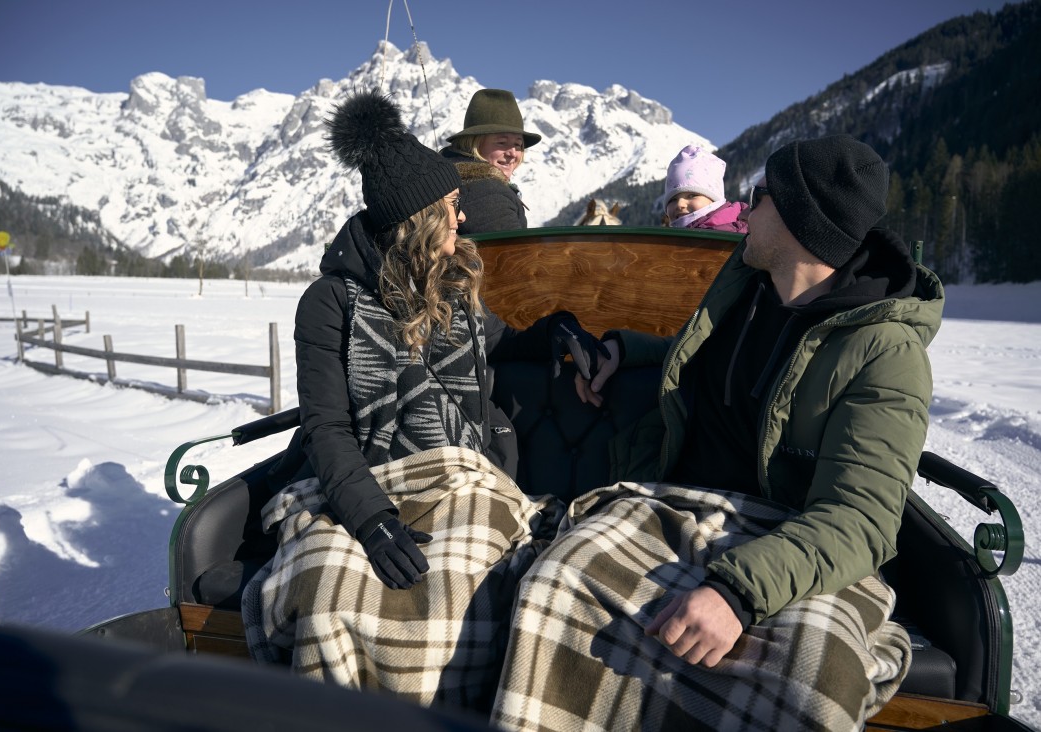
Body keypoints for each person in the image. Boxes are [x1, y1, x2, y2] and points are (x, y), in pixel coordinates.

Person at [492, 134, 943, 731]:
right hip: (677, 505)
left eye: (760, 196)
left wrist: (737, 594)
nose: (746, 207)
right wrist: (622, 348)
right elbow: (689, 354)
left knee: (811, 684)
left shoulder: (886, 352)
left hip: (786, 536)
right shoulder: (748, 290)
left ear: (800, 223)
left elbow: (860, 517)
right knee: (553, 582)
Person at [242, 89, 604, 713]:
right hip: (367, 485)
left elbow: (503, 343)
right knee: (328, 593)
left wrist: (562, 331)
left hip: (464, 479)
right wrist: (373, 522)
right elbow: (328, 429)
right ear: (417, 220)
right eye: (452, 208)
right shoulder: (330, 303)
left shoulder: (455, 284)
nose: (463, 222)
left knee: (473, 591)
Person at [440, 88, 541, 234]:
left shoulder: (457, 177)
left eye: (518, 145)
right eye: (502, 143)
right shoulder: (487, 191)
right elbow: (514, 252)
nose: (512, 153)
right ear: (474, 144)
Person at [659, 144, 747, 232]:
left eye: (691, 195)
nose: (680, 204)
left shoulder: (731, 233)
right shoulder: (672, 240)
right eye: (673, 199)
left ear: (714, 201)